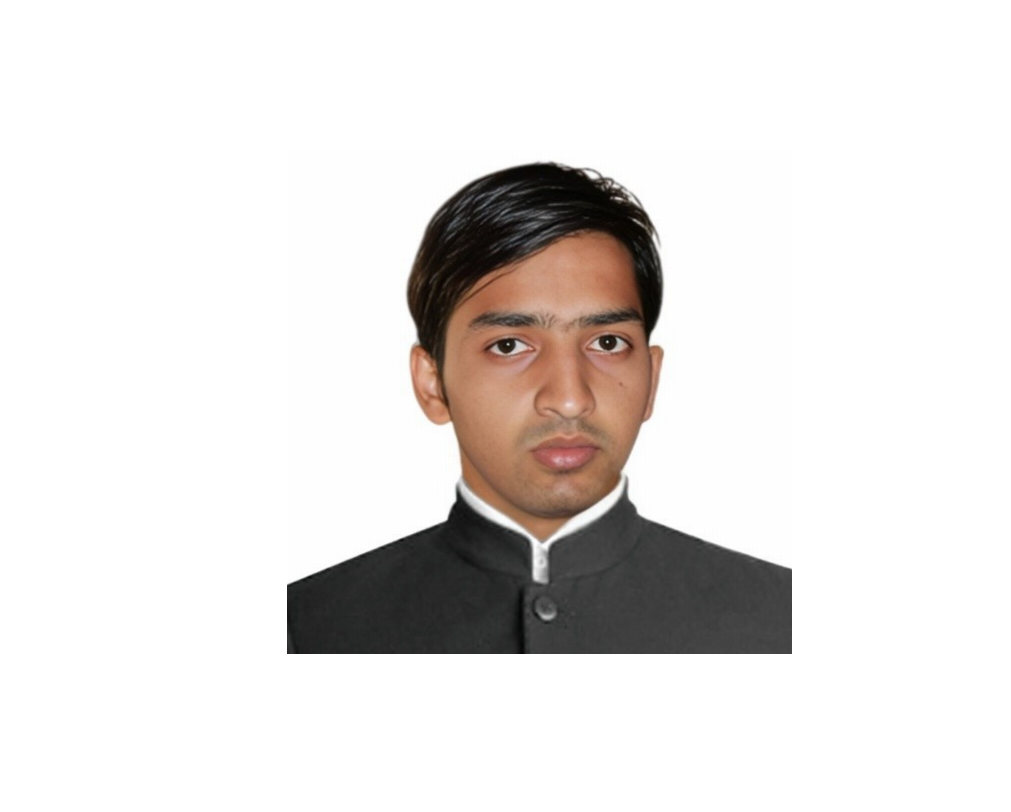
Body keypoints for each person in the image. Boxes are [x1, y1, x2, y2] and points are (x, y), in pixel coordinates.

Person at [287, 162, 791, 655]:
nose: (570, 398)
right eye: (509, 346)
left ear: (652, 379)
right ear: (432, 384)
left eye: (608, 342)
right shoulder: (313, 626)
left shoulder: (777, 618)